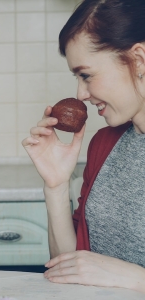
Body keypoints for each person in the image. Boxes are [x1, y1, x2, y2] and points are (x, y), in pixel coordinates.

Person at [22, 0, 145, 293]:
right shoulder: (104, 144)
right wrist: (56, 185)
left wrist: (135, 278)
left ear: (138, 59)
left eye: (86, 75)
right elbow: (71, 268)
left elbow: (110, 272)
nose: (81, 93)